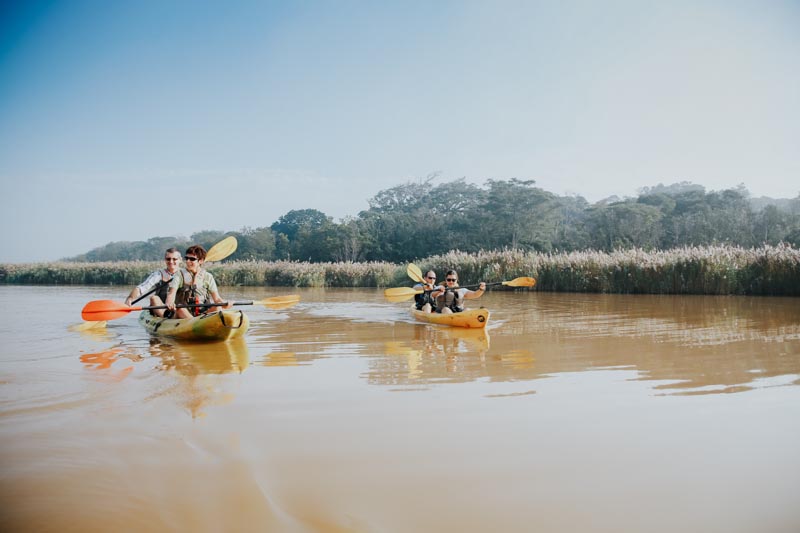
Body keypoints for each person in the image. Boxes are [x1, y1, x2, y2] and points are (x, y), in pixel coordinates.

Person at [164, 244, 233, 319]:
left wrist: (225, 303)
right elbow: (171, 293)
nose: (188, 261)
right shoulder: (179, 275)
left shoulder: (208, 276)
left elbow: (217, 299)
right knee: (180, 308)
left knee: (218, 307)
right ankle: (192, 323)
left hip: (203, 314)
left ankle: (198, 322)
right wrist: (169, 302)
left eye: (192, 259)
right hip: (183, 314)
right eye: (186, 258)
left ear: (201, 261)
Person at [124, 248, 181, 317]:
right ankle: (166, 317)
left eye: (174, 259)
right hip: (161, 307)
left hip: (178, 306)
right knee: (154, 298)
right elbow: (142, 288)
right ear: (165, 260)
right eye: (168, 259)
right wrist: (130, 298)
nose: (171, 262)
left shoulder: (185, 274)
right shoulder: (158, 274)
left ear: (180, 260)